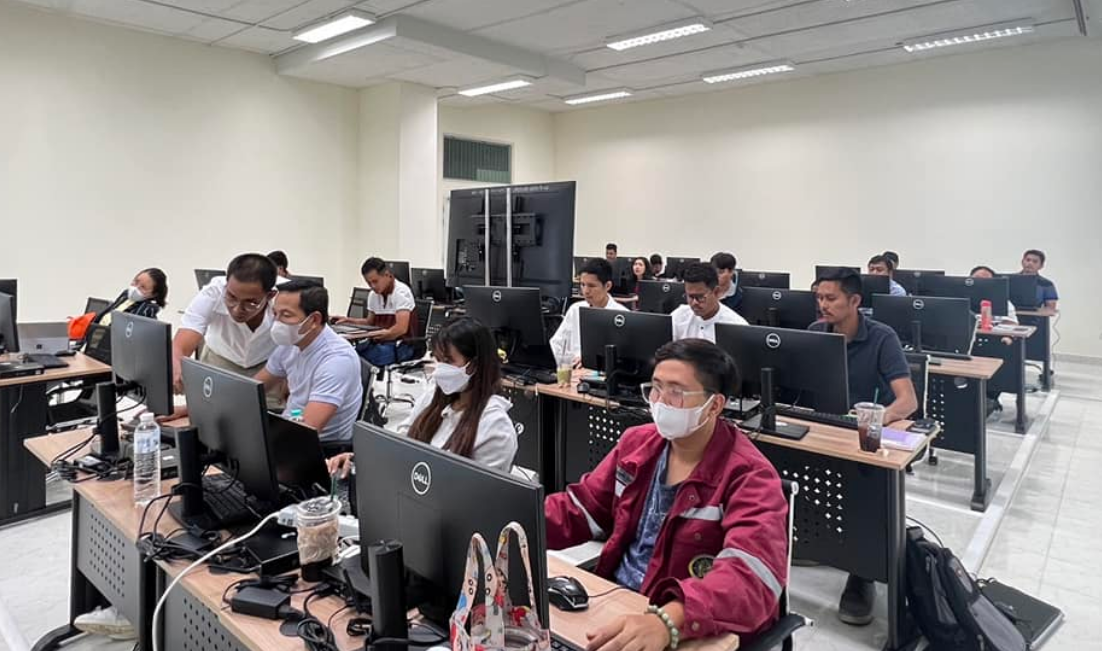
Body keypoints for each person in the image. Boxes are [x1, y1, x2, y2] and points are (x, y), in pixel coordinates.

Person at [545, 339, 788, 646]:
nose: (660, 402)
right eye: (656, 388)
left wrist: (669, 620)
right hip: (621, 604)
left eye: (677, 392)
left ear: (715, 405)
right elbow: (582, 509)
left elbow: (750, 578)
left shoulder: (750, 476)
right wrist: (516, 520)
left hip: (690, 624)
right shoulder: (638, 443)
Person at [809, 268, 916, 626]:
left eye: (830, 299)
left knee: (865, 487)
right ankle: (813, 539)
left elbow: (907, 401)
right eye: (819, 298)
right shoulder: (815, 332)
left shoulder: (882, 338)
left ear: (855, 301)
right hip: (824, 427)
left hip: (863, 435)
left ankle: (862, 574)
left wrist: (875, 418)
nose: (822, 305)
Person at [328, 317, 517, 476]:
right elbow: (401, 443)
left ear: (474, 366)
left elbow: (483, 498)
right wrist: (361, 458)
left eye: (448, 361)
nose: (439, 368)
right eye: (437, 358)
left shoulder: (494, 427)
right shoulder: (434, 399)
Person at [253, 280, 363, 445]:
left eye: (286, 315)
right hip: (290, 425)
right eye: (275, 314)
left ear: (314, 320)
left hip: (319, 447)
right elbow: (255, 387)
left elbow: (306, 430)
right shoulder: (290, 344)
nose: (277, 323)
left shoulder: (337, 360)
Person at [172, 253, 278, 393]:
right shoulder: (212, 293)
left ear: (270, 295)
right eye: (231, 297)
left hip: (268, 366)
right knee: (210, 408)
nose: (237, 309)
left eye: (251, 302)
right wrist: (176, 369)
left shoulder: (286, 300)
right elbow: (181, 344)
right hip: (219, 360)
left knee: (267, 411)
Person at [333, 257, 419, 367]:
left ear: (387, 275)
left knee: (361, 358)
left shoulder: (401, 292)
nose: (372, 286)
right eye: (369, 283)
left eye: (375, 281)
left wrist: (376, 335)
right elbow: (369, 322)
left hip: (401, 346)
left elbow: (400, 329)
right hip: (380, 342)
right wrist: (348, 320)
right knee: (346, 352)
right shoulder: (373, 295)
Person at [550, 258, 628, 363]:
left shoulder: (622, 315)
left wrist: (589, 361)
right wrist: (568, 361)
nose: (586, 291)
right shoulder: (575, 309)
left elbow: (624, 358)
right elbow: (556, 344)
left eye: (591, 286)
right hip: (574, 370)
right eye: (583, 285)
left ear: (607, 286)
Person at [671, 263, 747, 342]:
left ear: (716, 292)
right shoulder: (679, 316)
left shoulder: (737, 326)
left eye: (700, 297)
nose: (694, 303)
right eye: (690, 297)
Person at [94, 268, 168, 327]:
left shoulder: (148, 308)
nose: (136, 288)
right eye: (136, 282)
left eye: (143, 287)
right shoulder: (125, 295)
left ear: (153, 294)